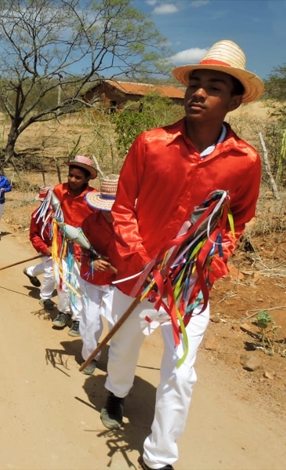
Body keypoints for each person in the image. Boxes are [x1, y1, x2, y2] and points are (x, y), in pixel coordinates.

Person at [98, 40, 263, 470]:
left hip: (190, 287)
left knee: (181, 373)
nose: (199, 93)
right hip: (137, 275)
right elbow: (123, 207)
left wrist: (208, 259)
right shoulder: (151, 144)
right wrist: (139, 258)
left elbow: (237, 222)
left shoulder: (245, 161)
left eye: (213, 87)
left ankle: (159, 457)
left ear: (234, 100)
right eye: (195, 83)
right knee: (124, 347)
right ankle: (115, 393)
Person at [51, 155, 98, 337]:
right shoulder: (58, 191)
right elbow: (52, 215)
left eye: (78, 177)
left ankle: (78, 318)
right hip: (61, 245)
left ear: (87, 179)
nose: (72, 180)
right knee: (61, 279)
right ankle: (63, 311)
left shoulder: (93, 197)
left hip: (82, 248)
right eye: (70, 175)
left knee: (78, 283)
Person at [77, 175, 119, 375]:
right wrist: (92, 261)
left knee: (117, 322)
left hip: (118, 281)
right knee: (91, 319)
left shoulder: (131, 223)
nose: (109, 213)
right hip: (91, 278)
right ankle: (90, 356)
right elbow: (80, 249)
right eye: (105, 207)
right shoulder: (89, 222)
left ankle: (118, 363)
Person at [23, 185, 56, 310]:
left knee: (55, 268)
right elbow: (33, 235)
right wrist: (45, 248)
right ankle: (45, 297)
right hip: (46, 248)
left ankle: (30, 271)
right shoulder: (36, 215)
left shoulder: (62, 213)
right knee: (51, 272)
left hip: (61, 248)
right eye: (41, 201)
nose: (43, 203)